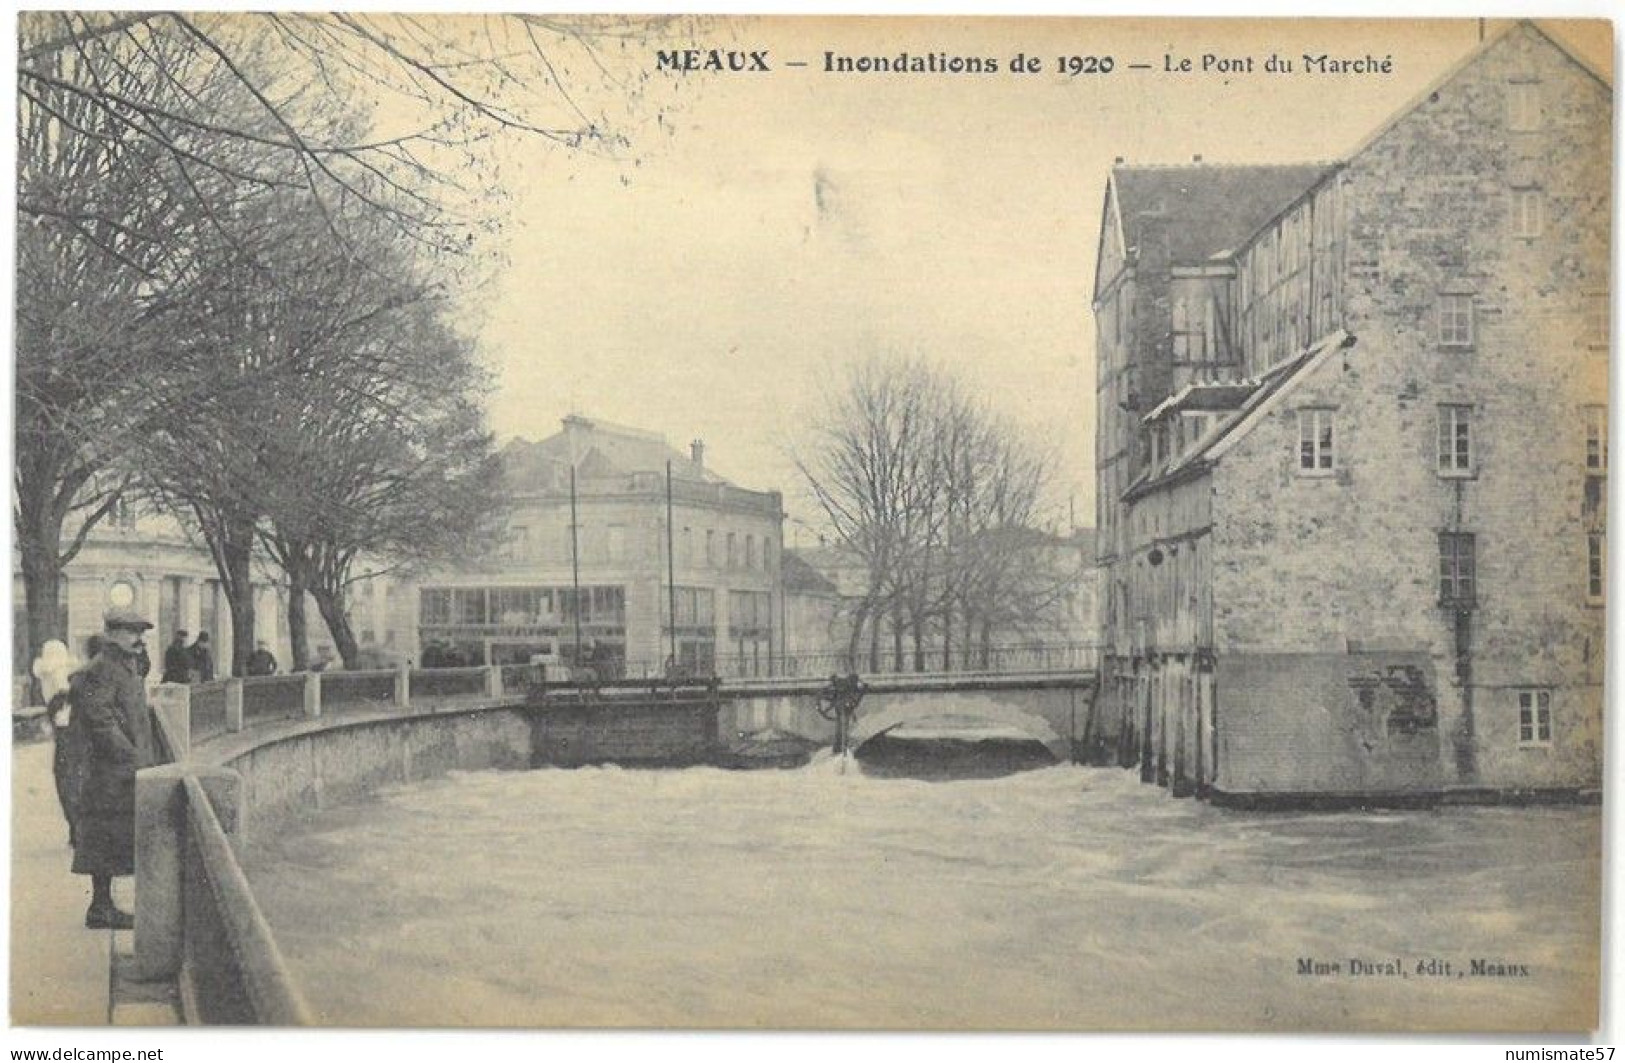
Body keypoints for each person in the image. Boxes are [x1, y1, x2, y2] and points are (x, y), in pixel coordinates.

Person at [69, 609, 156, 930]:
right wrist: (130, 756)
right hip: (108, 772)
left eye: (141, 633)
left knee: (114, 836)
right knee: (104, 837)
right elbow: (100, 720)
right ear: (112, 634)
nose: (139, 638)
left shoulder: (123, 665)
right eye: (133, 632)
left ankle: (103, 906)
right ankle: (100, 908)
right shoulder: (101, 669)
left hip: (120, 770)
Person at [33, 640, 85, 847]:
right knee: (73, 780)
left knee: (65, 780)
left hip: (63, 733)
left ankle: (76, 828)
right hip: (72, 732)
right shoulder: (64, 675)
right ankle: (77, 828)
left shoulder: (47, 674)